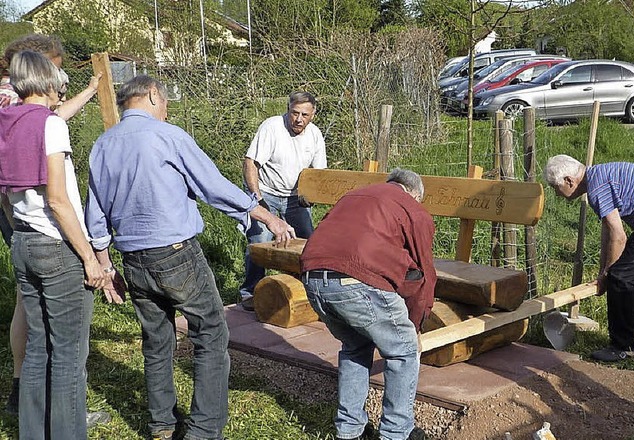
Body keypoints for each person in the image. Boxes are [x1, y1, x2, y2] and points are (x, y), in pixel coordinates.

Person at [84, 75, 296, 440]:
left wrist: (105, 264)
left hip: (132, 258)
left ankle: (162, 425)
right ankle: (204, 429)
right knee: (210, 333)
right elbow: (212, 186)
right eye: (165, 103)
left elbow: (96, 215)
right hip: (176, 254)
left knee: (157, 340)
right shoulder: (168, 136)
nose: (167, 111)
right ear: (152, 95)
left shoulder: (102, 145)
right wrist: (265, 215)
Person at [0, 50, 111, 439]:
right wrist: (90, 259)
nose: (61, 89)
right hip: (57, 247)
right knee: (67, 355)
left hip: (23, 243)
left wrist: (20, 228)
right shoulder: (49, 125)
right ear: (47, 83)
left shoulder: (7, 122)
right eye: (59, 82)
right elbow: (60, 200)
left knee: (37, 349)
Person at [299, 168, 436, 440]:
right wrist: (416, 323)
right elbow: (424, 273)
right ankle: (396, 433)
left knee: (355, 347)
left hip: (312, 277)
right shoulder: (412, 208)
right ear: (414, 194)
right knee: (404, 351)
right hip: (356, 281)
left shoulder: (354, 195)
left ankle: (349, 431)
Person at [543, 154, 634, 362]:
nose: (557, 194)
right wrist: (602, 270)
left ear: (569, 180)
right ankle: (633, 321)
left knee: (620, 277)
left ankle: (623, 345)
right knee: (626, 273)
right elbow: (609, 230)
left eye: (555, 187)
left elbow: (619, 237)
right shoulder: (599, 176)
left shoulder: (596, 188)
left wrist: (608, 274)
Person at [239, 91, 327, 311]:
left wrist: (311, 196)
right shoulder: (272, 127)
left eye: (304, 115)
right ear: (288, 110)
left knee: (310, 241)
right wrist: (257, 199)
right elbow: (251, 163)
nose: (298, 119)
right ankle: (250, 292)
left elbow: (320, 174)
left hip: (295, 197)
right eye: (294, 113)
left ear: (313, 114)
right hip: (266, 191)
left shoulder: (315, 135)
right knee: (259, 239)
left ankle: (307, 290)